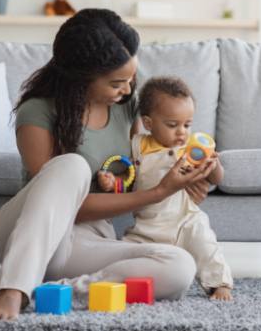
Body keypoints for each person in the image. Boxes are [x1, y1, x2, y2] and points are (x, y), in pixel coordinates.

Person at [0, 9, 216, 320]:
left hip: (89, 243)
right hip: (33, 234)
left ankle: (47, 292)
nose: (129, 90)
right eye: (117, 82)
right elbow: (62, 204)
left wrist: (182, 184)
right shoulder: (37, 112)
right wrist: (158, 192)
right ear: (81, 76)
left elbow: (132, 174)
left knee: (181, 266)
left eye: (131, 79)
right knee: (72, 165)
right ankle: (11, 288)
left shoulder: (126, 106)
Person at [97, 77, 233, 301]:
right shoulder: (138, 145)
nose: (182, 132)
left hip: (185, 219)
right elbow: (130, 177)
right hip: (147, 225)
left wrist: (214, 163)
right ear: (149, 124)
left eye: (187, 124)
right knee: (122, 253)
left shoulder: (191, 148)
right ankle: (109, 281)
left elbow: (217, 178)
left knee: (205, 244)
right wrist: (114, 182)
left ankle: (220, 284)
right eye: (172, 125)